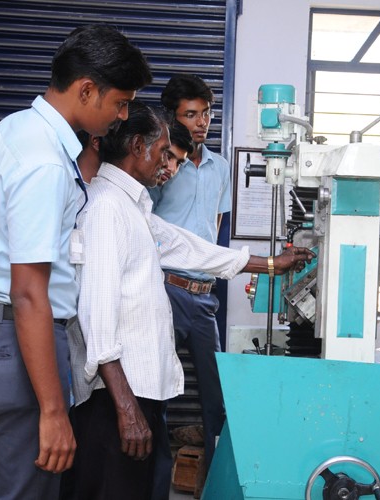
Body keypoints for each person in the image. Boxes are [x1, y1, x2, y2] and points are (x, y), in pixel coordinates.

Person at [63, 101, 313, 499]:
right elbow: (96, 313)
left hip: (136, 390)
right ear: (136, 146)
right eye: (163, 152)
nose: (167, 165)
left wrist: (267, 263)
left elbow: (186, 247)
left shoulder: (132, 206)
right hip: (116, 396)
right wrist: (126, 409)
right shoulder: (107, 208)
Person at [0, 24, 152, 499]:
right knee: (30, 488)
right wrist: (52, 411)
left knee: (23, 480)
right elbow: (28, 293)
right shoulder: (44, 161)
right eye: (120, 102)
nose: (123, 115)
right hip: (20, 335)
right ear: (87, 89)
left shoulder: (16, 129)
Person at [149, 73, 231, 467]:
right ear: (173, 118)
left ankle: (212, 483)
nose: (201, 123)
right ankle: (153, 481)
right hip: (163, 289)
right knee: (154, 390)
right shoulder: (162, 162)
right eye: (191, 115)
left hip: (203, 297)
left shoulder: (221, 166)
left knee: (216, 398)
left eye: (207, 114)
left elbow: (215, 227)